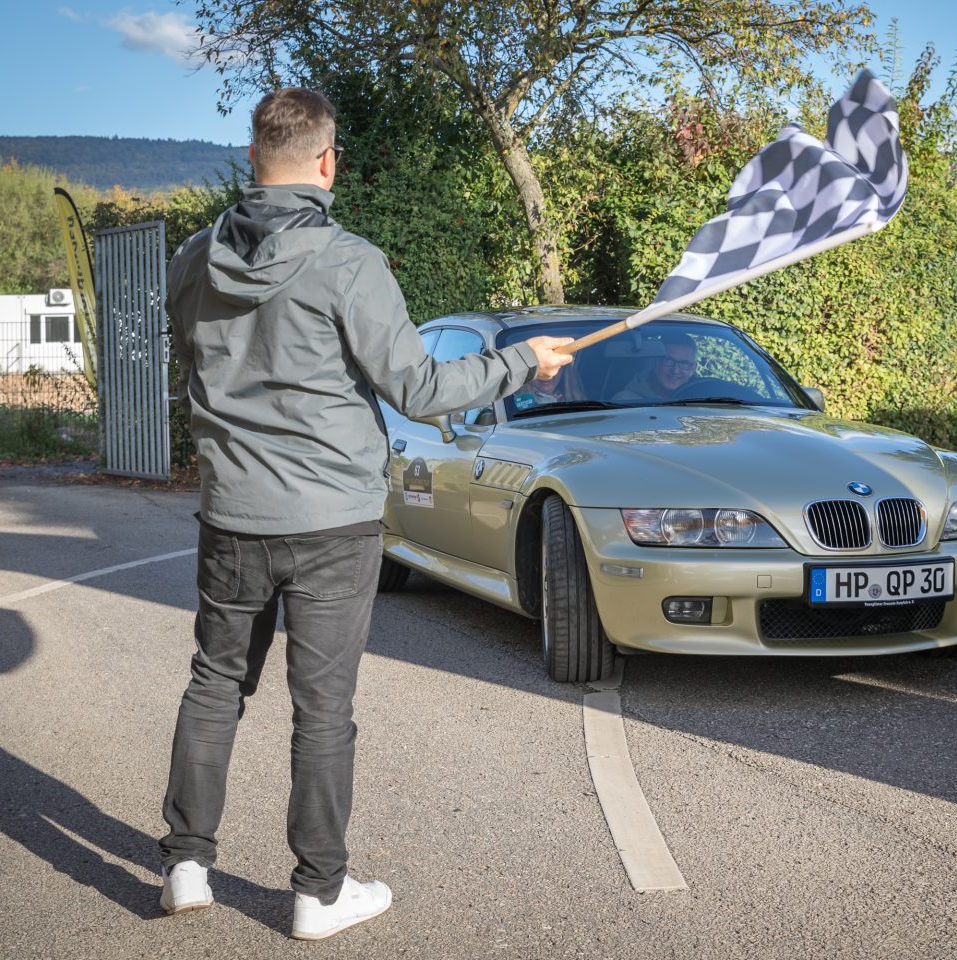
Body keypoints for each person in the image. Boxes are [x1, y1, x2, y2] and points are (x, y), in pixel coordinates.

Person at [156, 87, 572, 941]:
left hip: (232, 512)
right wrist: (520, 362)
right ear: (327, 161)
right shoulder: (349, 261)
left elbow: (189, 362)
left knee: (214, 684)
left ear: (252, 155)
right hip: (331, 524)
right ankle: (318, 891)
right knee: (323, 708)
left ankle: (187, 865)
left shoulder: (195, 256)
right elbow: (418, 387)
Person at [611, 333, 698, 402]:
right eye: (668, 360)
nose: (675, 370)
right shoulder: (623, 401)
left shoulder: (702, 402)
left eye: (684, 363)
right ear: (655, 361)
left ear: (693, 368)